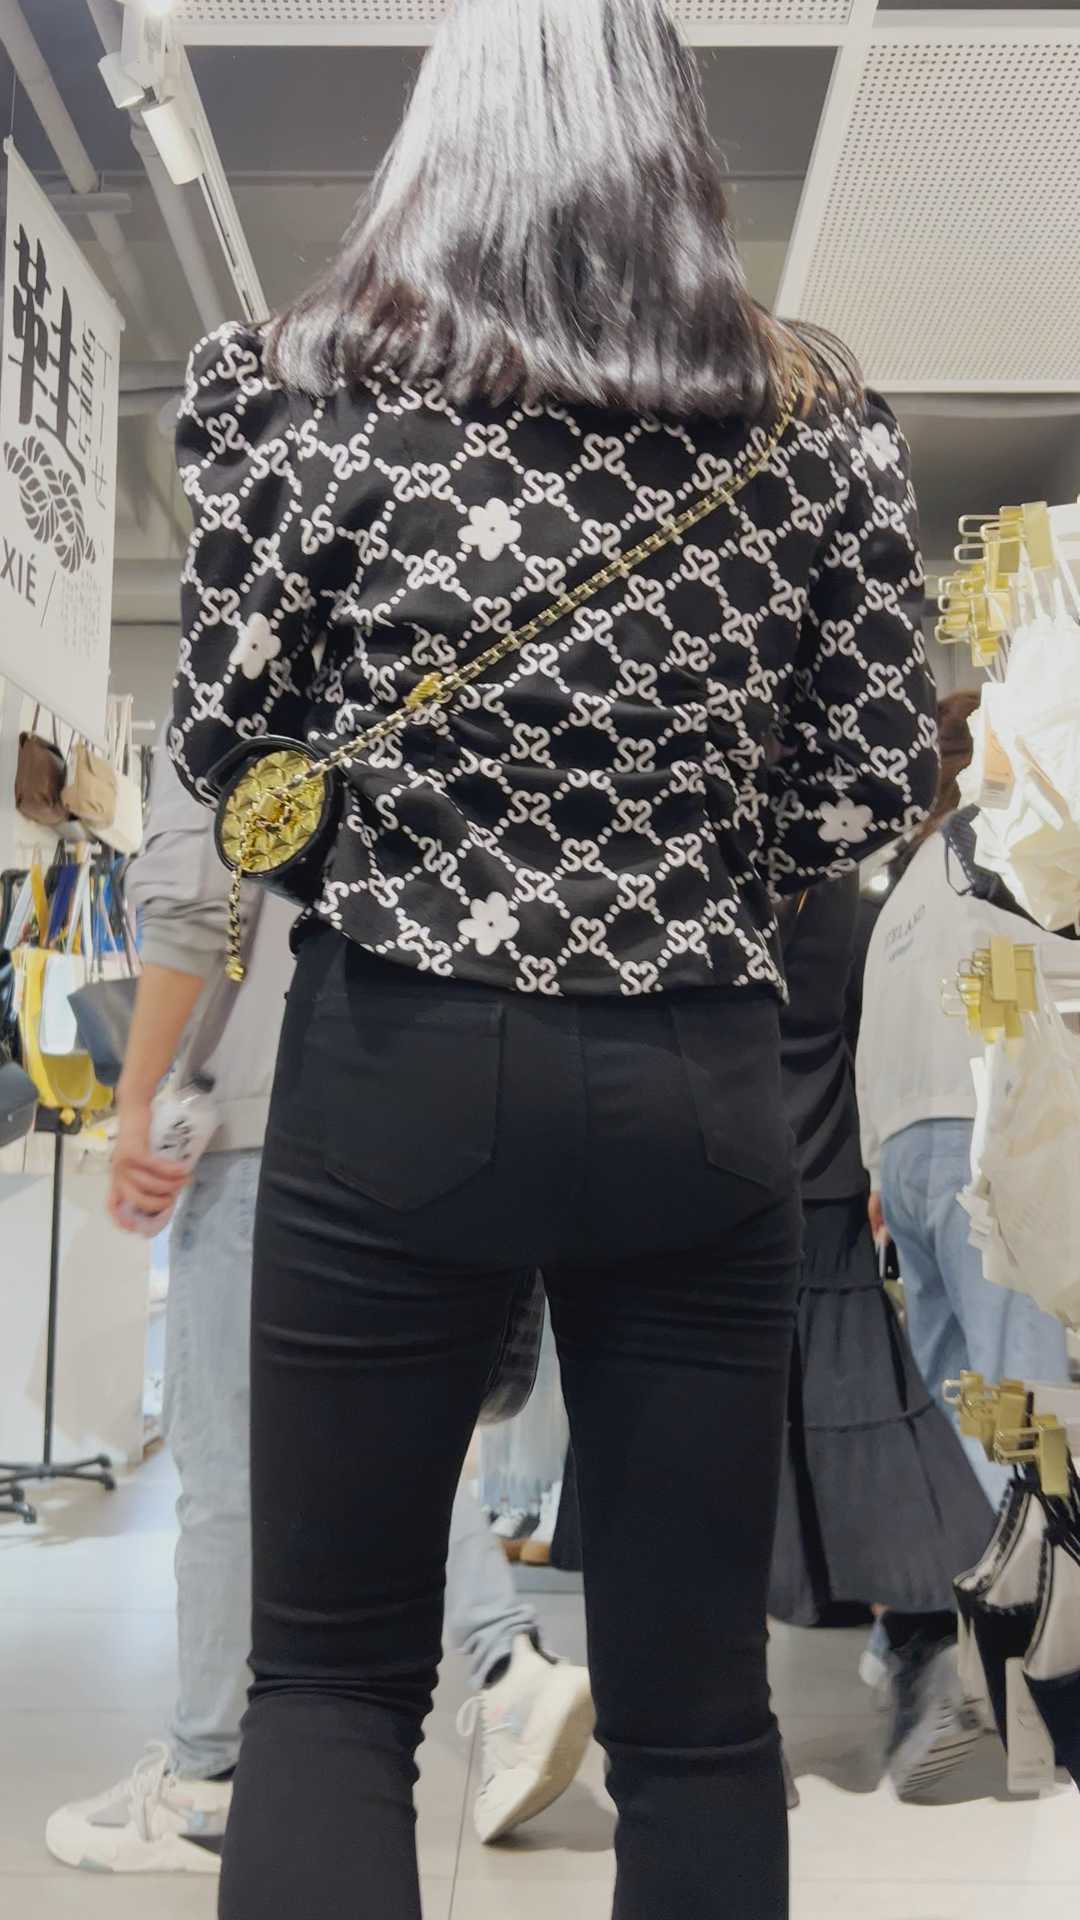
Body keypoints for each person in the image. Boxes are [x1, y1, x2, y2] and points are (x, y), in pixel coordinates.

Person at [166, 2, 938, 1912]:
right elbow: (861, 785)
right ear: (677, 146)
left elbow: (229, 744)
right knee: (698, 1717)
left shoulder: (297, 391)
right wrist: (688, 875)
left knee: (332, 1687)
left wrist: (405, 848)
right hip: (698, 1072)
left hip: (396, 1053)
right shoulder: (812, 425)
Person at [46, 738, 591, 1877]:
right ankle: (505, 1667)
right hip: (420, 1104)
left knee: (229, 1463)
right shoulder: (407, 683)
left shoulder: (237, 693)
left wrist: (138, 1099)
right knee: (370, 1446)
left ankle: (208, 1778)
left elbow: (191, 900)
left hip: (261, 1119)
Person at [768, 873, 993, 1801]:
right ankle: (920, 1648)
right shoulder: (853, 905)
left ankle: (724, 1719)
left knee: (713, 1444)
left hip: (716, 1184)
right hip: (815, 1185)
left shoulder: (690, 878)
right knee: (863, 1423)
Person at [857, 695, 1073, 1504]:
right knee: (1022, 1390)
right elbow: (1042, 974)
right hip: (982, 1136)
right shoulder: (997, 847)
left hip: (906, 1156)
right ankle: (1044, 1570)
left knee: (959, 1398)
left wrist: (878, 1167)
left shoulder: (908, 881)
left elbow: (872, 1035)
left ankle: (973, 1566)